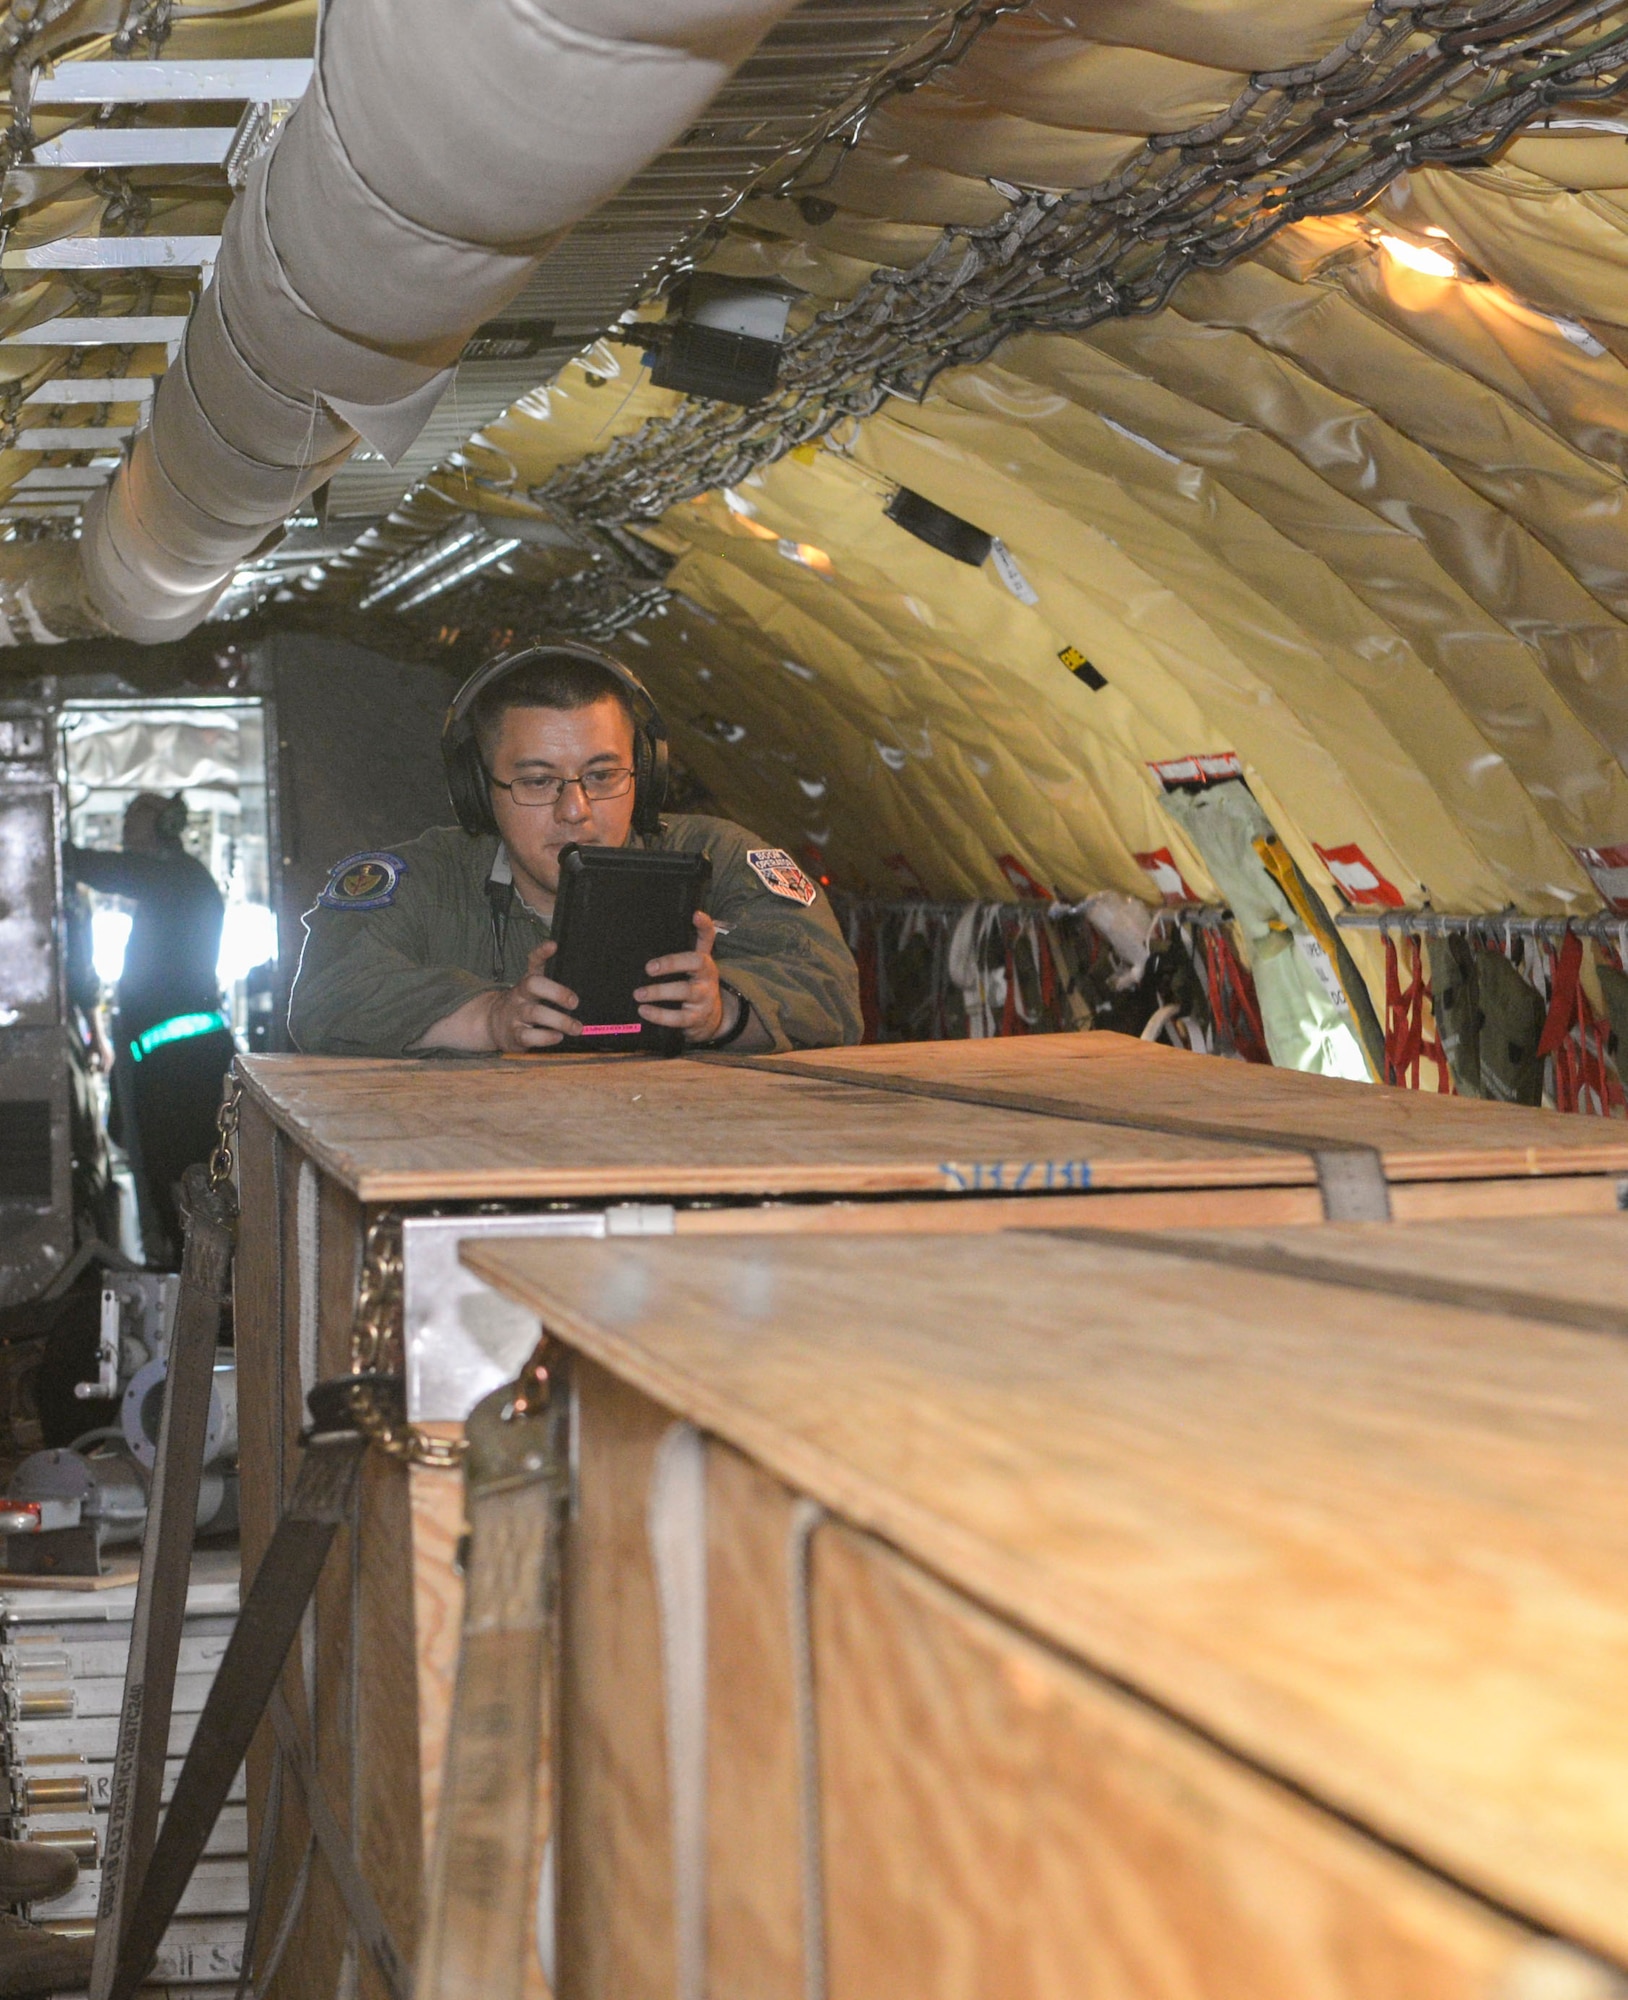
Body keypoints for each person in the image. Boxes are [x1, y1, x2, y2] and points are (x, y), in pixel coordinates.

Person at [289, 641, 862, 1056]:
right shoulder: (417, 880)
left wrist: (724, 1012)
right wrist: (490, 1020)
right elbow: (327, 995)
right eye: (537, 781)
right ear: (477, 791)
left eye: (604, 774)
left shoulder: (723, 861)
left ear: (645, 773)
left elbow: (829, 988)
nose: (576, 810)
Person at [69, 793, 233, 1262]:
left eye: (135, 813)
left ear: (165, 825)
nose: (124, 821)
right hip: (167, 1060)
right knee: (165, 1171)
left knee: (183, 1175)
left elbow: (109, 870)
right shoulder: (174, 881)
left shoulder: (177, 876)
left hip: (182, 1067)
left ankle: (196, 1279)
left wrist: (57, 853)